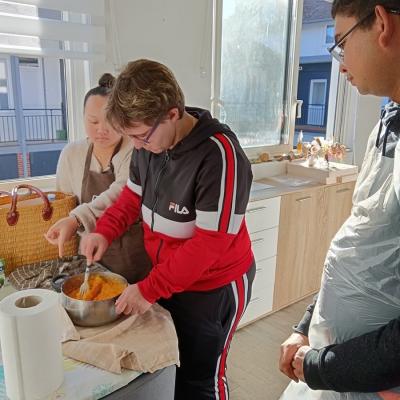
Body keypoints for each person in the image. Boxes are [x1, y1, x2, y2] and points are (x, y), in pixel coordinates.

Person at [80, 59, 256, 400]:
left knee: (202, 379)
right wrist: (103, 231)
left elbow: (209, 245)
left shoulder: (219, 155)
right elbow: (131, 198)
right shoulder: (149, 147)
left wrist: (148, 289)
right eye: (132, 138)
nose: (138, 146)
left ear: (172, 113)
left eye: (141, 136)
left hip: (215, 287)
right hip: (171, 279)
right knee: (174, 367)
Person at [279, 1, 400, 398]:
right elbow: (359, 243)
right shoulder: (388, 122)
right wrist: (305, 325)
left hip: (366, 376)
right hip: (335, 360)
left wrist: (324, 366)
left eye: (342, 43)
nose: (341, 64)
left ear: (380, 23)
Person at [45, 73, 151, 283]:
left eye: (111, 122)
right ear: (82, 117)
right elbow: (64, 201)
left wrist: (76, 219)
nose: (101, 130)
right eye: (93, 121)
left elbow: (121, 193)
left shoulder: (136, 148)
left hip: (132, 258)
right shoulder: (72, 153)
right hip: (89, 256)